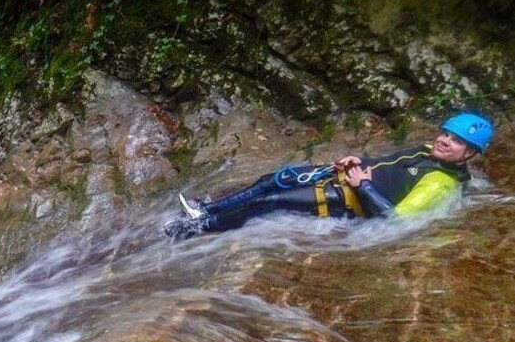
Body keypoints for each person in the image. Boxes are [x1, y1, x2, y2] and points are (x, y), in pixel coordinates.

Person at [164, 113, 494, 239]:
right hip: (348, 181)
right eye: (447, 134)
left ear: (470, 154)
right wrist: (359, 160)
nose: (445, 141)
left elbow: (395, 219)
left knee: (271, 201)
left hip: (352, 202)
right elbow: (388, 166)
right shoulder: (426, 151)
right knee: (273, 179)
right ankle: (208, 210)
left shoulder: (441, 183)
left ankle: (198, 228)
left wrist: (362, 186)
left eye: (457, 142)